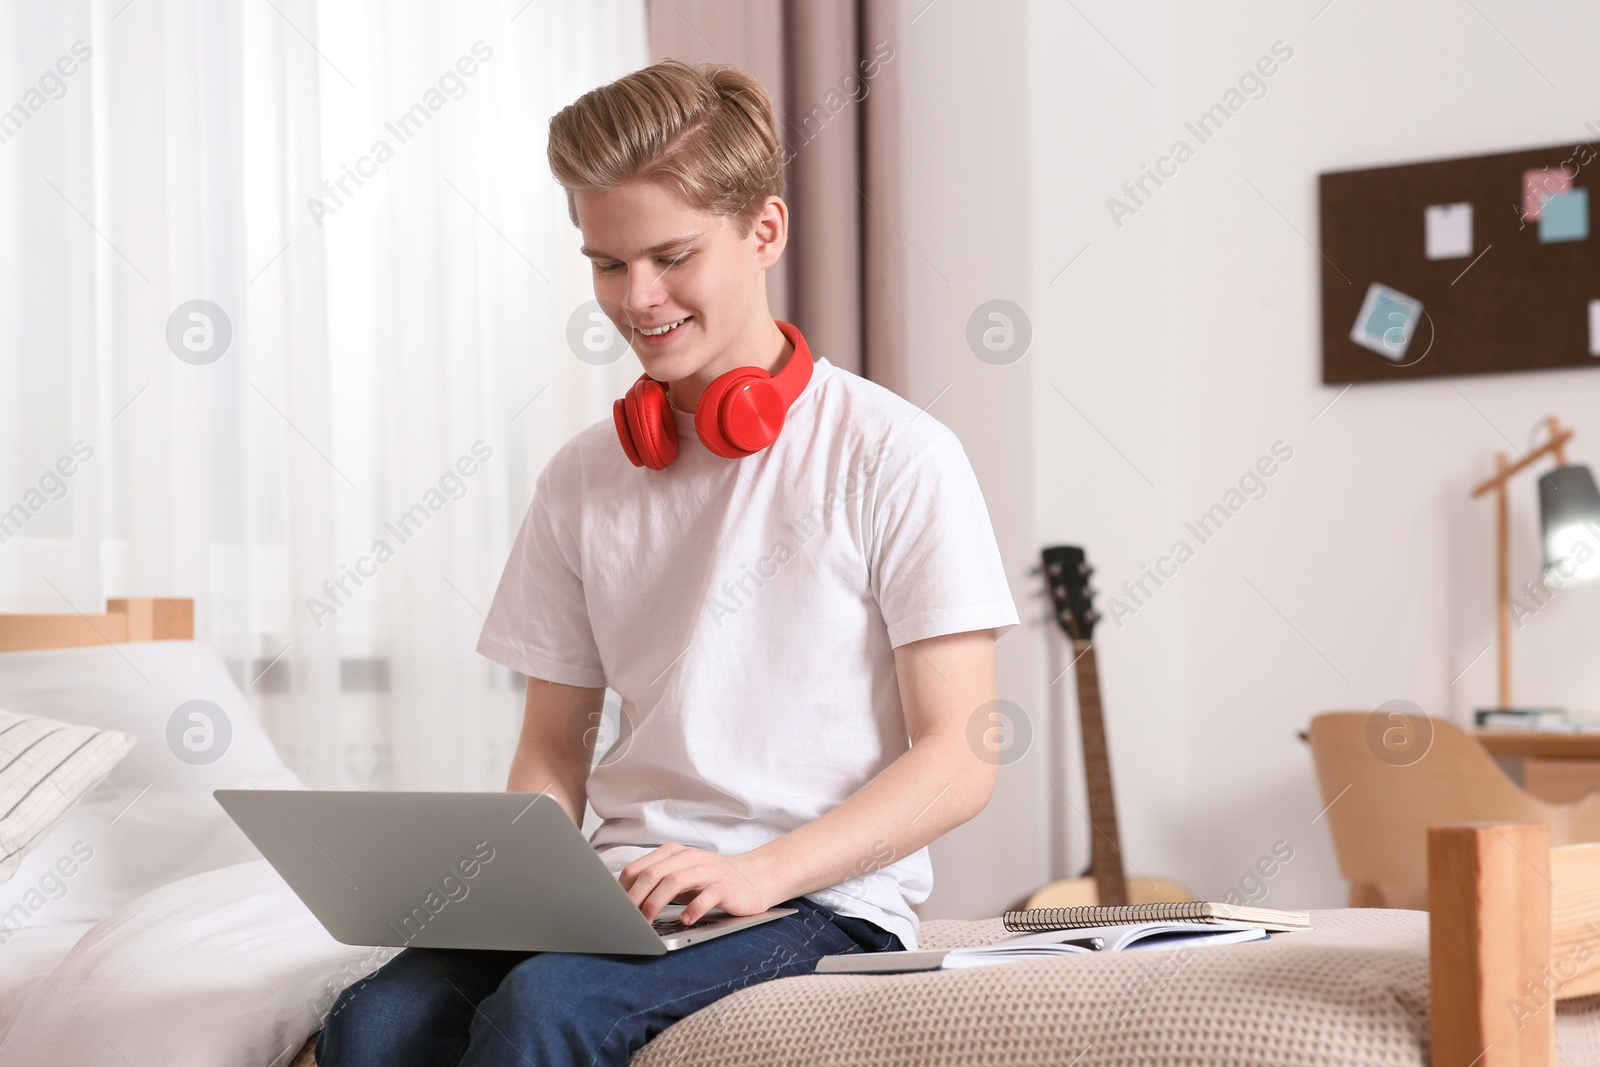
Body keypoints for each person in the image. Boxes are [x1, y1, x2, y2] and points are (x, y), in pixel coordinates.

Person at [316, 56, 1019, 1067]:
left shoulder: (893, 453)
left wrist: (762, 869)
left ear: (764, 229)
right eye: (607, 264)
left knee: (546, 1007)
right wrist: (526, 880)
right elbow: (554, 748)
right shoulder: (581, 478)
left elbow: (961, 752)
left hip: (815, 897)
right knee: (371, 1018)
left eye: (671, 256)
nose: (636, 299)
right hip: (623, 890)